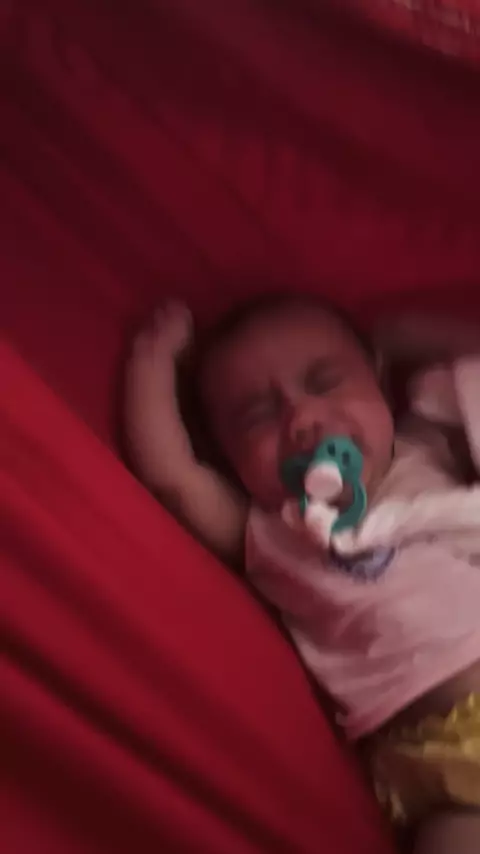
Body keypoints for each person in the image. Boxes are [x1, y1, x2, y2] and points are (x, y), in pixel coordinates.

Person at [125, 295, 480, 853]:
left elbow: (471, 359)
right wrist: (154, 357)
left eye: (326, 381)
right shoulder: (272, 535)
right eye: (257, 417)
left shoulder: (426, 446)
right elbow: (174, 479)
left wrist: (404, 332)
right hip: (431, 760)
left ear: (377, 379)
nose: (303, 420)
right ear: (228, 459)